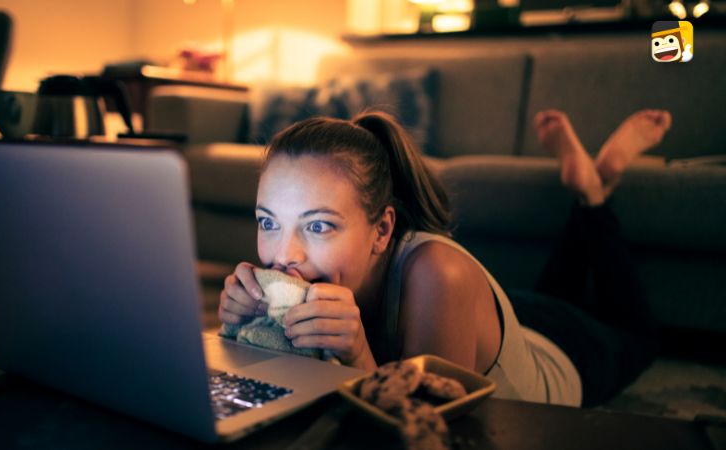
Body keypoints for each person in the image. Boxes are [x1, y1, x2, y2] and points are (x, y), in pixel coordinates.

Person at [217, 107, 672, 407]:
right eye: (268, 221)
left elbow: (430, 426)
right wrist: (238, 333)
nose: (283, 255)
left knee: (637, 334)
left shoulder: (440, 273)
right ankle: (588, 192)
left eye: (318, 226)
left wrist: (357, 352)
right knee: (555, 289)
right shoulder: (299, 264)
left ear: (382, 230)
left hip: (568, 352)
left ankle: (594, 196)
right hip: (518, 314)